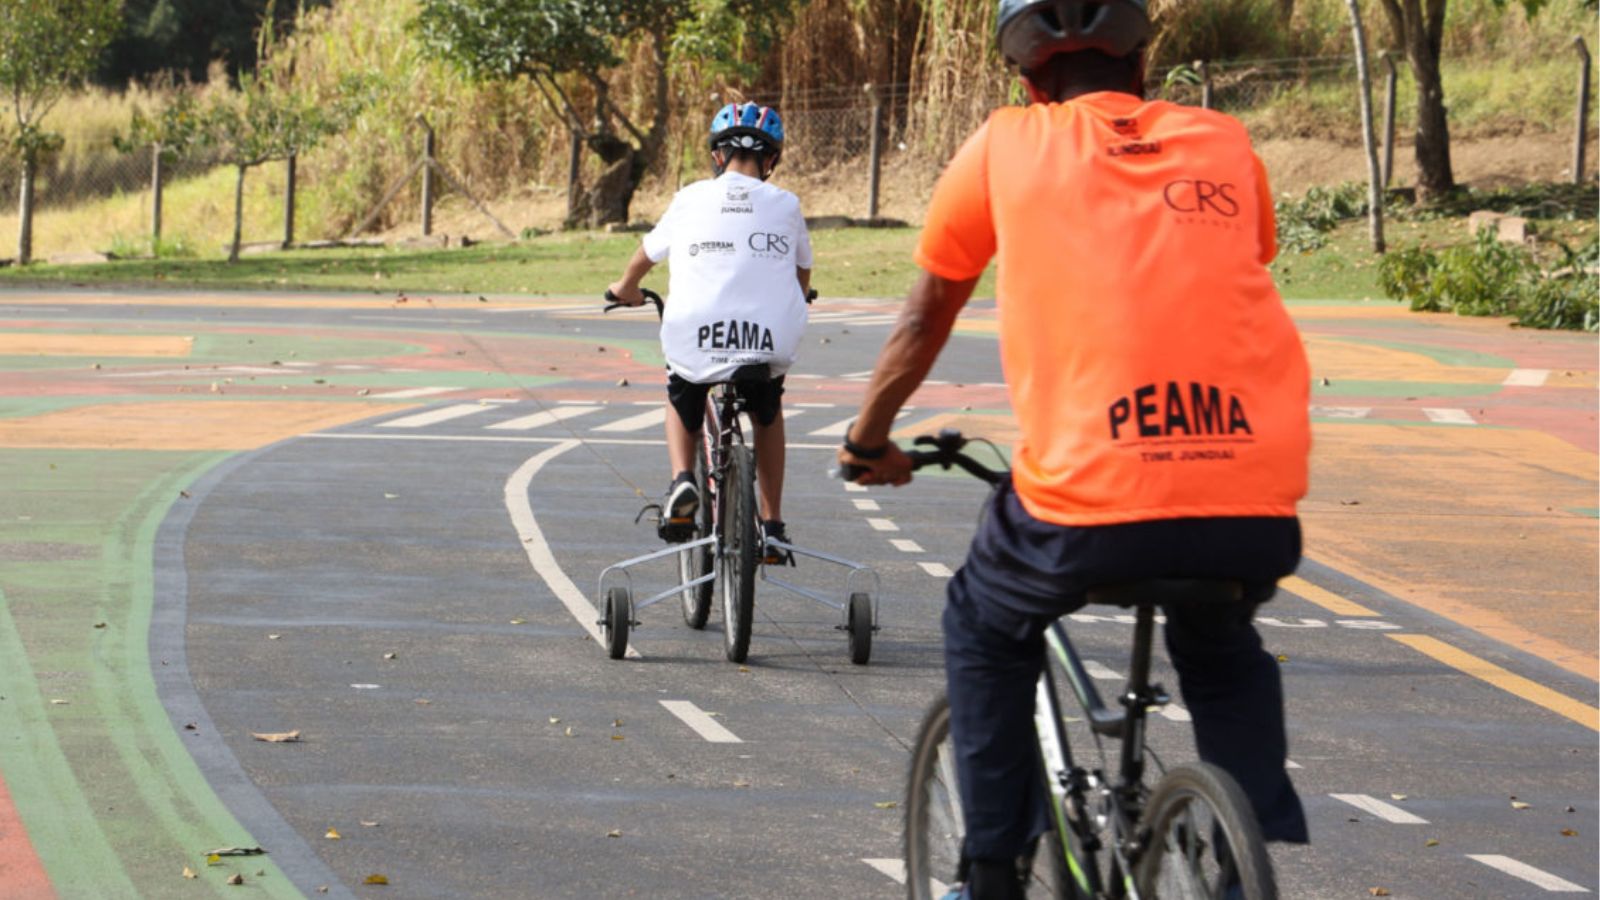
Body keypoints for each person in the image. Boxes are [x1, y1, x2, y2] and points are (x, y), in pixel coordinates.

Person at [836, 1, 1312, 896]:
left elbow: (926, 312)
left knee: (982, 620)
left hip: (1090, 501)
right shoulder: (1225, 144)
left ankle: (990, 869)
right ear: (1143, 62)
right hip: (1252, 498)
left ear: (1028, 78)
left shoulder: (1007, 144)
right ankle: (1240, 845)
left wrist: (869, 439)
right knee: (1218, 636)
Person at [608, 102, 813, 561]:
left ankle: (683, 481)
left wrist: (624, 288)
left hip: (697, 331)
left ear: (717, 157)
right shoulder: (786, 204)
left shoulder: (690, 198)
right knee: (767, 410)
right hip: (768, 338)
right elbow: (801, 276)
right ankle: (773, 525)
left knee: (684, 390)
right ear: (771, 160)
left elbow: (646, 255)